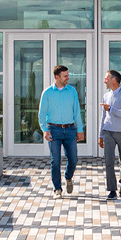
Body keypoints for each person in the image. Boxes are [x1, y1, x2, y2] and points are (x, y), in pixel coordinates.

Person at [39, 64, 83, 195]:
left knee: (74, 159)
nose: (68, 78)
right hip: (54, 130)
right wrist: (44, 130)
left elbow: (77, 112)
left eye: (68, 75)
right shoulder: (47, 93)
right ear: (57, 77)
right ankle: (57, 189)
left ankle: (68, 177)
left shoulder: (72, 91)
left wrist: (79, 129)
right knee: (55, 160)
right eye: (65, 76)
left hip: (70, 130)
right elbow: (42, 114)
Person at [100, 68, 121, 200]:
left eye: (106, 78)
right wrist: (100, 134)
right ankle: (112, 190)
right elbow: (103, 116)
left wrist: (111, 109)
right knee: (108, 161)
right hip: (108, 131)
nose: (104, 81)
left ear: (113, 80)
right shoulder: (106, 96)